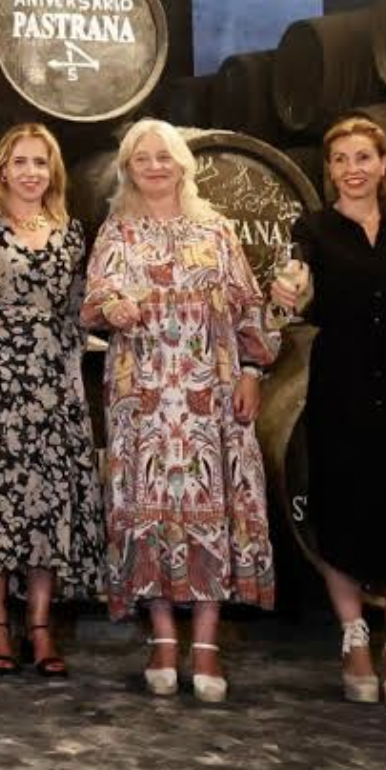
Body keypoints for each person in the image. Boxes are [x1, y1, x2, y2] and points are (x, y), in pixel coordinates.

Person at [83, 119, 286, 701]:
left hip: (211, 394)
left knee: (213, 507)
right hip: (141, 395)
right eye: (141, 158)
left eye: (163, 156)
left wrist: (252, 371)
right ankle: (163, 637)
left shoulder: (217, 229)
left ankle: (206, 640)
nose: (154, 166)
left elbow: (249, 308)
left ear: (182, 164)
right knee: (146, 511)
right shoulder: (118, 231)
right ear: (127, 168)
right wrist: (113, 308)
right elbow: (91, 303)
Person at [0, 122, 105, 678]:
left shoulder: (72, 233)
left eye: (40, 162)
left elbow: (79, 314)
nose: (31, 172)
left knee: (48, 502)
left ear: (51, 171)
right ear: (2, 169)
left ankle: (39, 624)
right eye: (21, 162)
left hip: (53, 378)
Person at [284, 114, 386, 711]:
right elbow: (299, 289)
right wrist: (289, 293)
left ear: (384, 165)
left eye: (363, 157)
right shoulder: (314, 229)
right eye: (341, 160)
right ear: (330, 171)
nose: (353, 169)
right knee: (341, 502)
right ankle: (354, 638)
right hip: (341, 380)